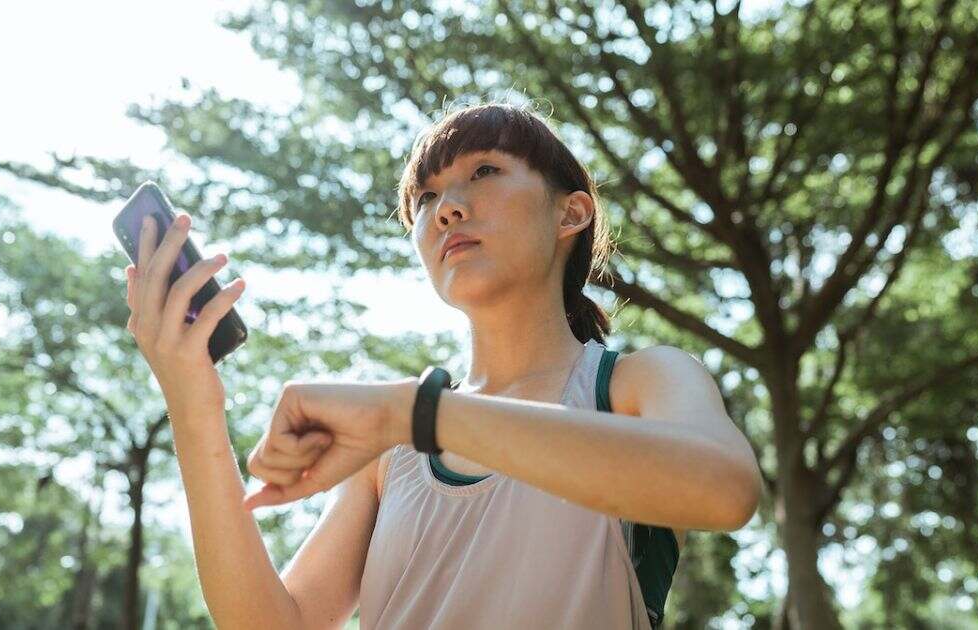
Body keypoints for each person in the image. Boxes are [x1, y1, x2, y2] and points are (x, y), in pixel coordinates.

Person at [124, 102, 762, 629]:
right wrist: (193, 404)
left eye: (484, 170)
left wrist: (417, 413)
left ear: (571, 212)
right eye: (426, 197)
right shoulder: (392, 449)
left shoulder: (635, 383)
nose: (448, 207)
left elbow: (726, 489)